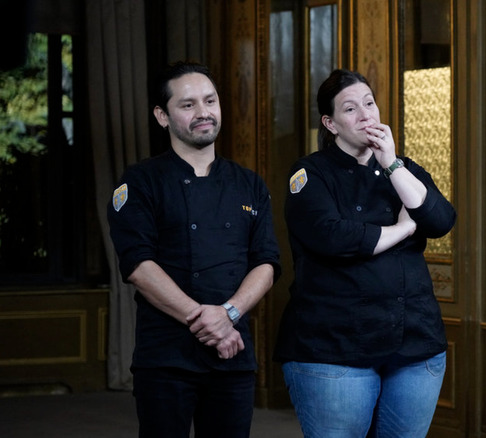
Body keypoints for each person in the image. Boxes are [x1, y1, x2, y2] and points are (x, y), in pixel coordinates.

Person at [273, 69, 457, 437]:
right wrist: (405, 228)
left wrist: (390, 163)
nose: (366, 116)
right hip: (334, 348)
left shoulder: (403, 167)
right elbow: (336, 238)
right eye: (351, 109)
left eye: (369, 104)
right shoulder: (310, 174)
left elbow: (439, 219)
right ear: (331, 123)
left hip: (414, 343)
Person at [107, 61, 281, 438]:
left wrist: (229, 313)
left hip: (233, 357)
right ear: (162, 116)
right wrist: (210, 322)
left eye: (210, 101)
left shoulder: (248, 184)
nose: (203, 112)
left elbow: (266, 262)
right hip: (166, 357)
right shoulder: (140, 182)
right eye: (188, 105)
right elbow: (138, 264)